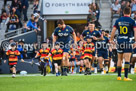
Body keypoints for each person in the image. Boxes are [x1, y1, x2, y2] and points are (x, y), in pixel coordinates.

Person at [110, 7, 136, 81]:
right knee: (127, 59)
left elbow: (113, 30)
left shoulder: (118, 20)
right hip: (128, 41)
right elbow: (135, 31)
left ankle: (118, 76)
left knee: (119, 59)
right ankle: (126, 77)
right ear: (130, 13)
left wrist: (111, 39)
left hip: (120, 41)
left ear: (123, 12)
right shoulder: (132, 21)